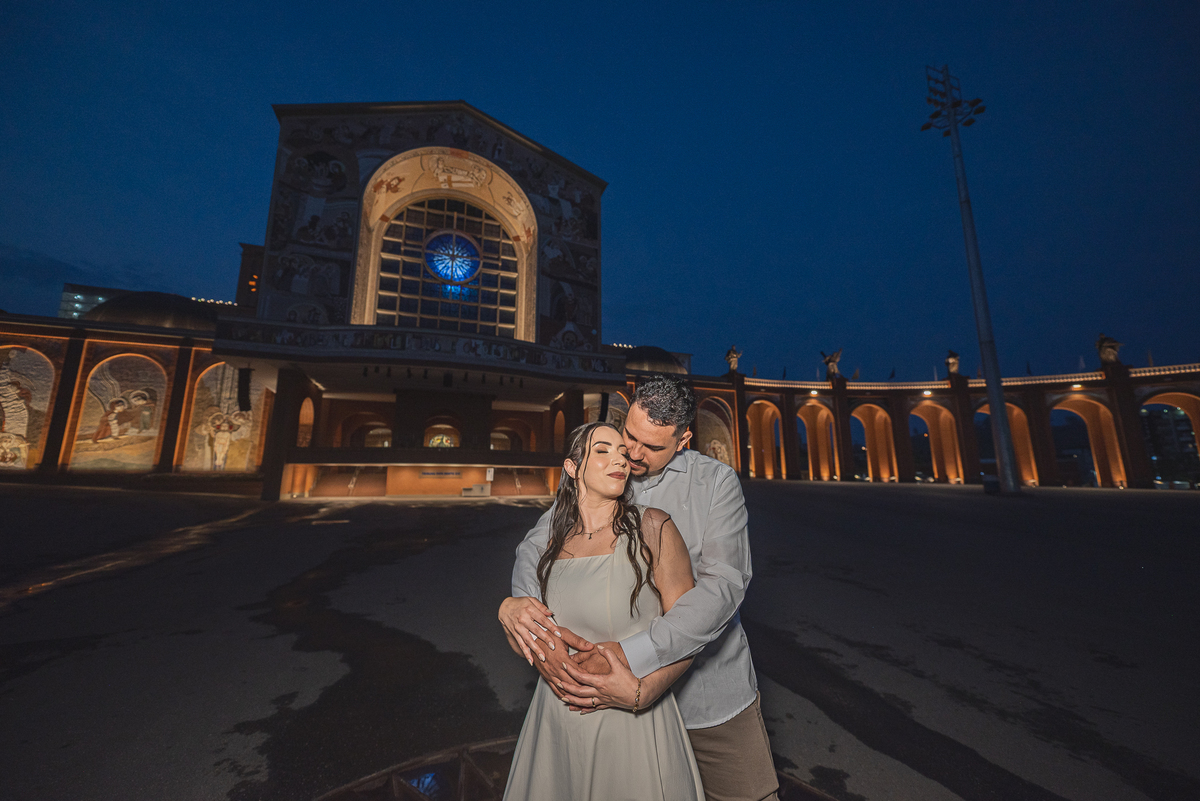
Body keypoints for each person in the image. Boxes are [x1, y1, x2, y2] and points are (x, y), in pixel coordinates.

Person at [500, 375, 779, 801]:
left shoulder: (716, 483)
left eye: (651, 447)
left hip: (707, 698)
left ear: (683, 439)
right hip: (610, 706)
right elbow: (536, 545)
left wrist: (632, 656)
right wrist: (523, 609)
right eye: (630, 434)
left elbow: (723, 586)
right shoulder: (606, 469)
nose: (632, 453)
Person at [503, 421, 703, 800]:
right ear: (572, 468)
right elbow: (527, 641)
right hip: (556, 719)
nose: (620, 460)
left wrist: (642, 692)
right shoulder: (549, 542)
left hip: (631, 720)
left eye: (624, 453)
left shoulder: (653, 528)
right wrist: (508, 608)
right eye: (603, 450)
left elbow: (689, 633)